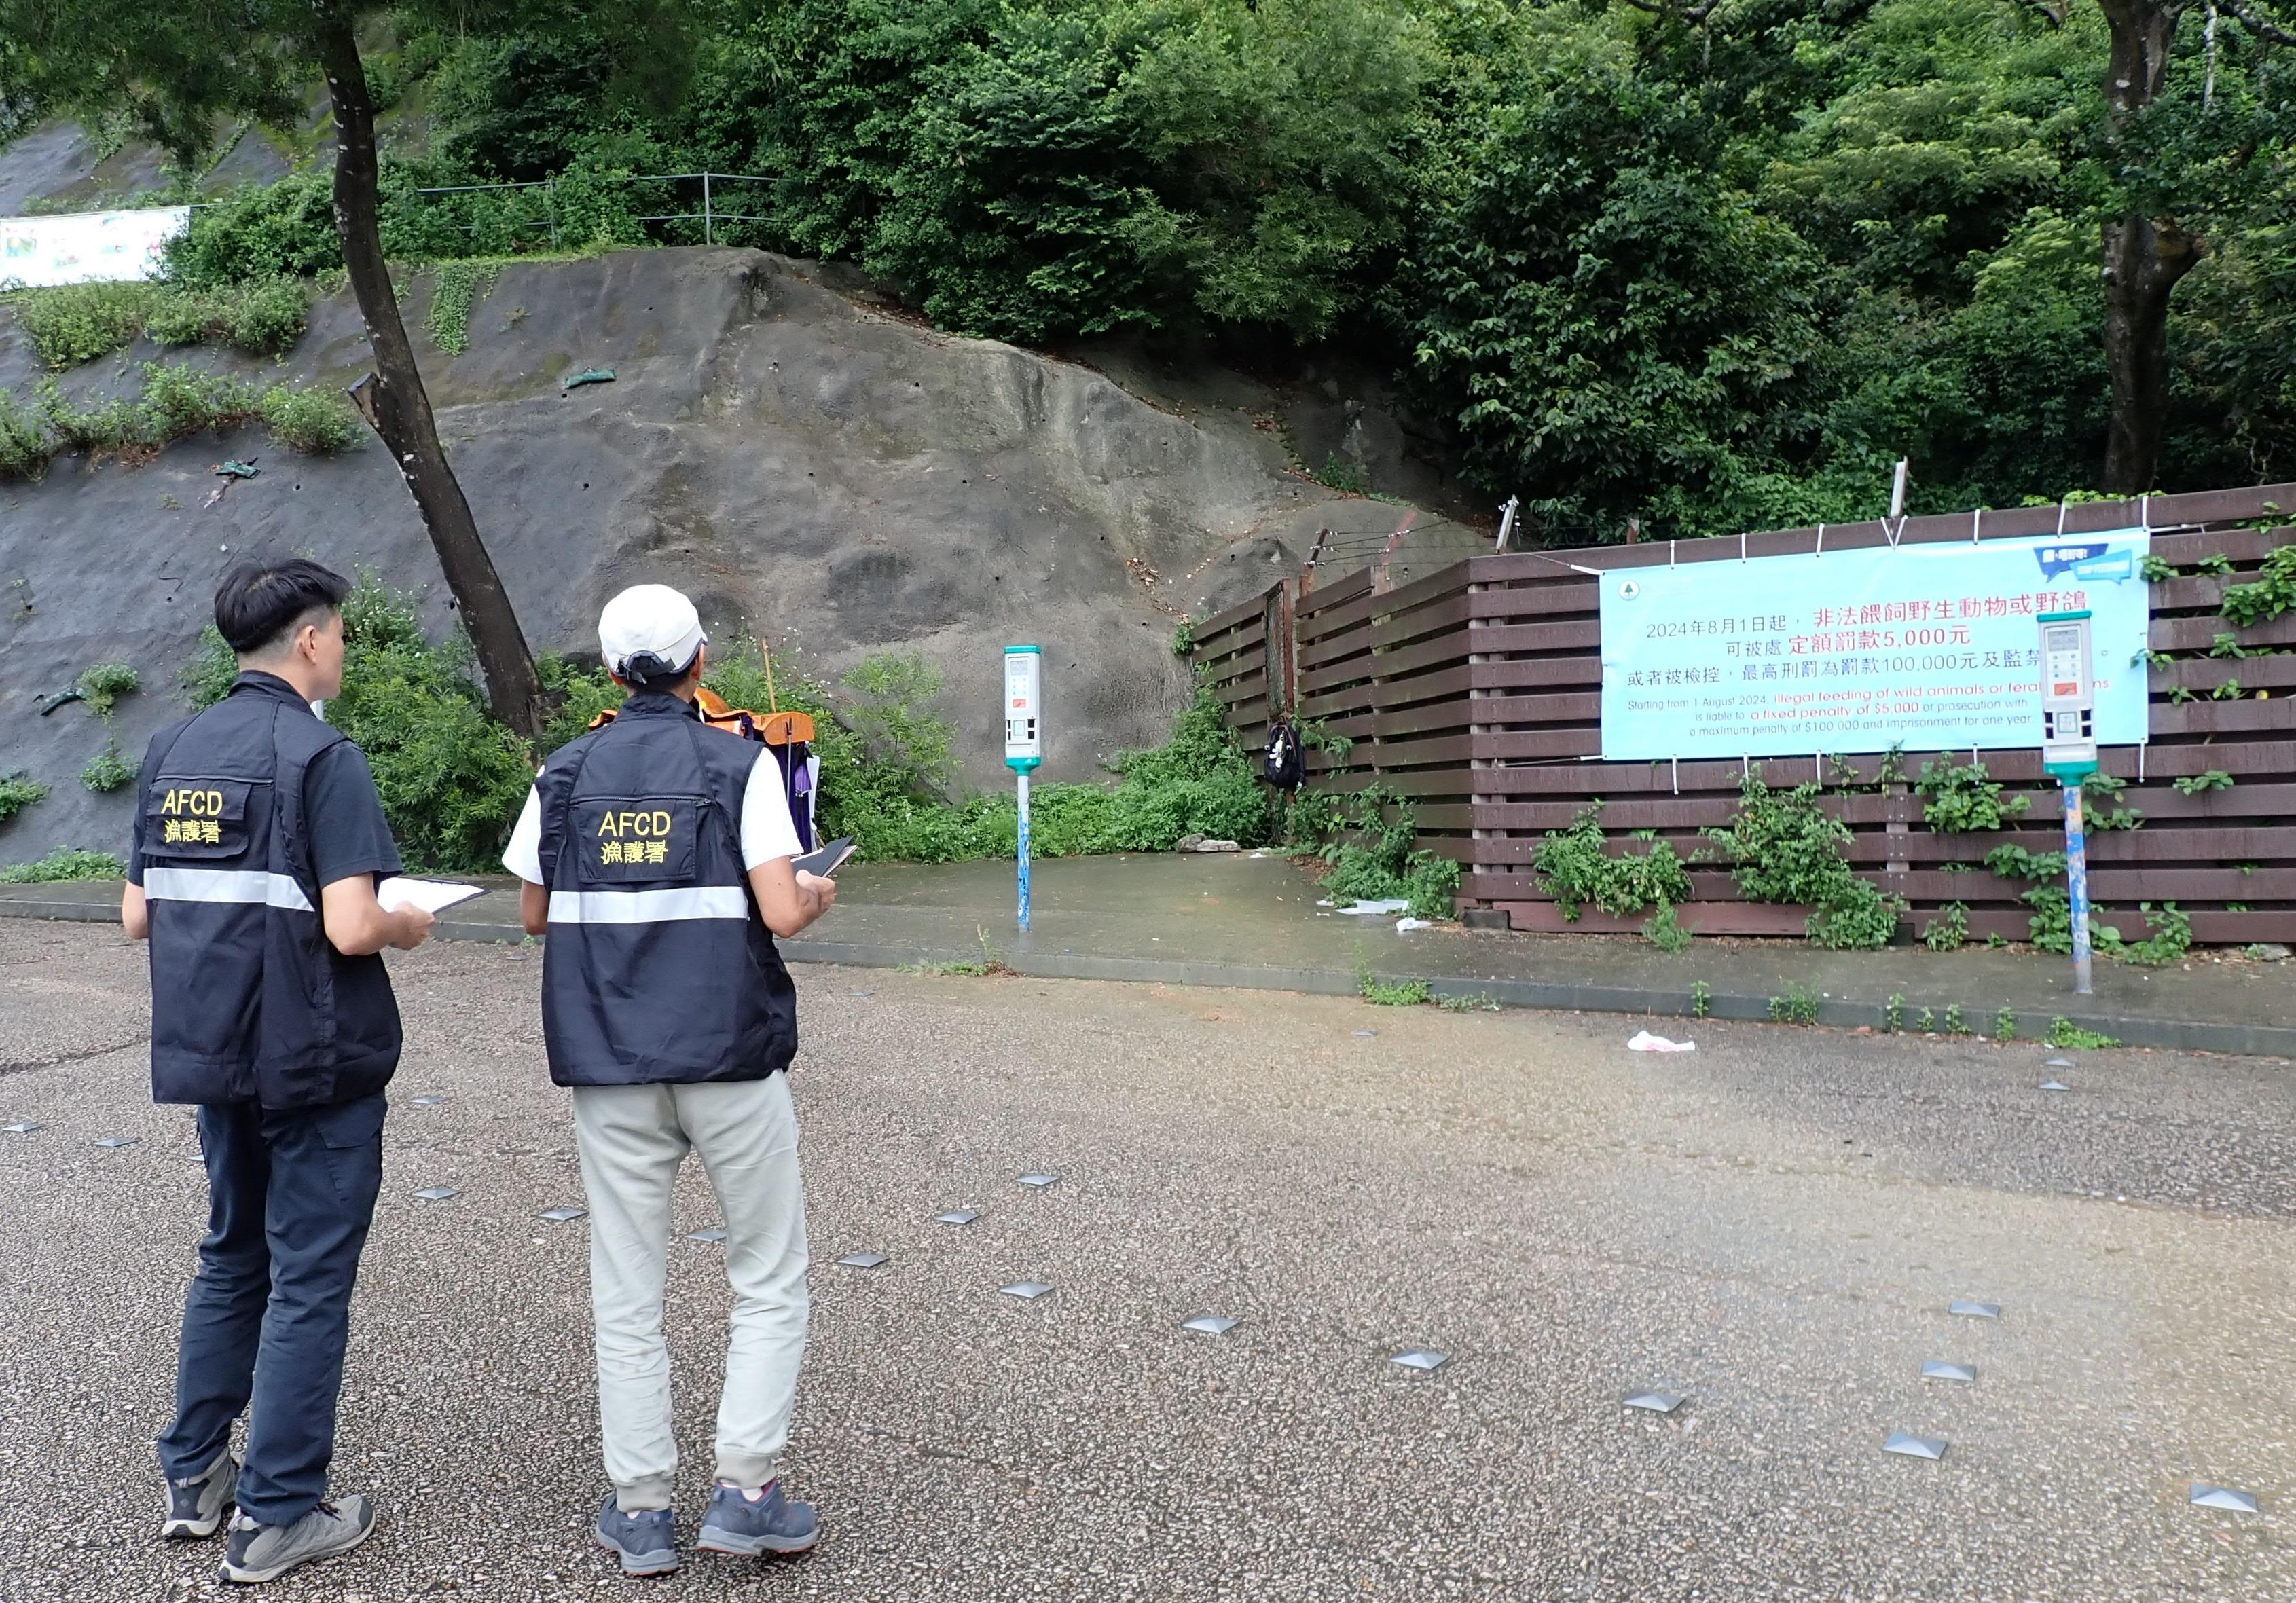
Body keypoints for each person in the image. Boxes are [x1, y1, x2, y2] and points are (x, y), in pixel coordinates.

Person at [500, 584, 836, 1576]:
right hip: (730, 1053)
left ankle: (642, 1506)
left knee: (627, 1287)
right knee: (767, 1274)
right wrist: (813, 890)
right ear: (701, 664)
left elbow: (531, 912)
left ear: (610, 673)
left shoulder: (563, 773)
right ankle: (746, 1492)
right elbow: (778, 910)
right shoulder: (741, 763)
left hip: (610, 1063)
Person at [123, 559, 435, 1585]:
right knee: (307, 1281)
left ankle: (193, 1476)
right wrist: (410, 919)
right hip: (314, 1058)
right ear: (310, 639)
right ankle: (278, 1513)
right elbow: (351, 925)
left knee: (231, 1252)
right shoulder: (320, 756)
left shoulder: (171, 748)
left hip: (216, 1054)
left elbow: (138, 913)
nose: (340, 648)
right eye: (338, 633)